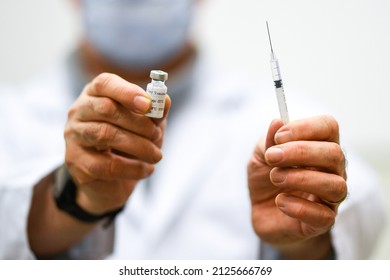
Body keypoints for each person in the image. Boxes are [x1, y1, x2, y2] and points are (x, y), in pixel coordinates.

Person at [0, 0, 385, 259]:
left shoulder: (288, 119)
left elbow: (365, 211)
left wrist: (306, 241)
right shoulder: (12, 116)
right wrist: (72, 201)